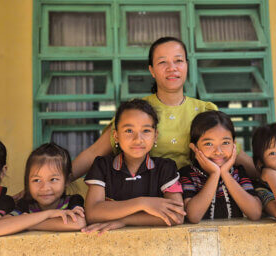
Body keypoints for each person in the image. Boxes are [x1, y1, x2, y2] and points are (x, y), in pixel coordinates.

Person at [71, 36, 259, 185]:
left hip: (198, 192)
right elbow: (94, 151)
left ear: (187, 65)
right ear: (152, 70)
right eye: (162, 62)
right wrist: (60, 181)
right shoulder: (137, 111)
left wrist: (267, 180)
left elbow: (235, 153)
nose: (172, 68)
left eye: (178, 61)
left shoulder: (205, 110)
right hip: (146, 191)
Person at [82, 99, 186, 234]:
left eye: (146, 130)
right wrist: (142, 203)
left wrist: (124, 220)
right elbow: (93, 213)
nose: (138, 139)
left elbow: (177, 216)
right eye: (129, 130)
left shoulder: (165, 168)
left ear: (155, 136)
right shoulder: (103, 166)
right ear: (116, 136)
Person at [179, 111, 262, 223]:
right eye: (209, 144)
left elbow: (255, 213)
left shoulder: (239, 173)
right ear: (194, 148)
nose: (218, 152)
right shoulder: (187, 174)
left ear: (234, 145)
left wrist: (225, 174)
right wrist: (214, 174)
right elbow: (193, 216)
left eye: (225, 143)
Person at [0, 143, 85, 236]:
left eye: (53, 179)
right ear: (27, 182)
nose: (45, 188)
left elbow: (78, 223)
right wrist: (48, 214)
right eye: (36, 180)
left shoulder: (73, 201)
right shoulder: (25, 205)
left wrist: (27, 224)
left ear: (67, 181)